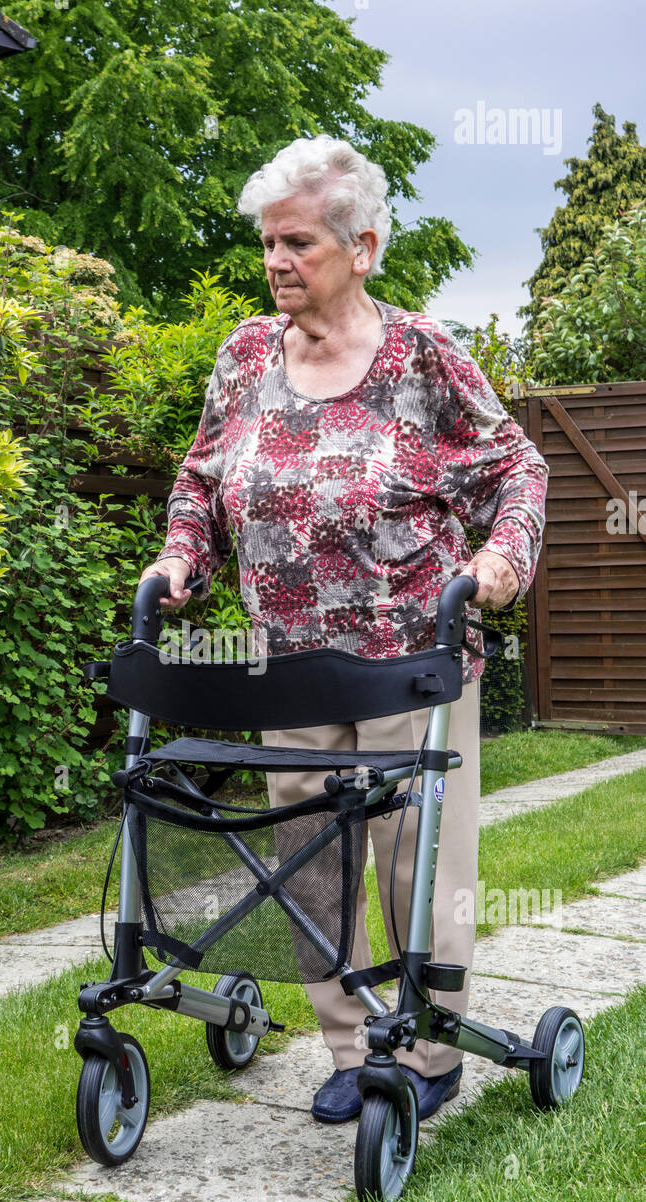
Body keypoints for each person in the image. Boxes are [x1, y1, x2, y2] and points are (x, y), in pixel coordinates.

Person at [138, 134, 547, 1123]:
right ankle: (346, 1039)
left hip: (410, 662)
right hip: (284, 663)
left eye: (299, 244)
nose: (277, 262)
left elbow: (516, 469)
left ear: (361, 248)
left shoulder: (419, 356)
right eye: (268, 243)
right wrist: (179, 557)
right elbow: (201, 480)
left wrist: (497, 562)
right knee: (307, 858)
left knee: (416, 859)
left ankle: (430, 1047)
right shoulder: (243, 356)